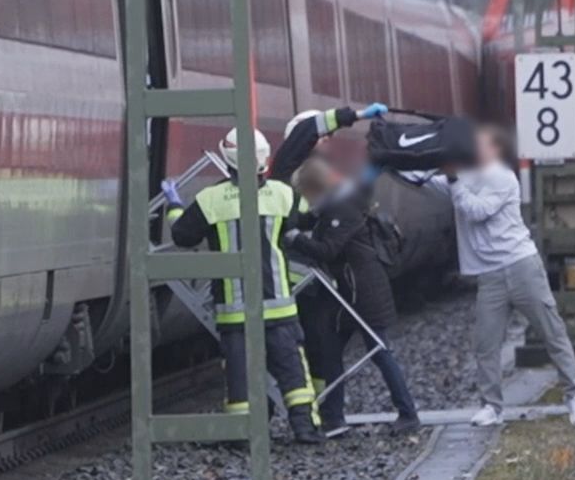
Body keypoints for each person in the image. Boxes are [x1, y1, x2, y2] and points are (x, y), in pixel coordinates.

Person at [165, 126, 322, 445]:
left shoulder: (211, 199)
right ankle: (305, 428)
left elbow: (183, 235)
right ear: (264, 160)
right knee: (292, 371)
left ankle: (241, 435)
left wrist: (173, 206)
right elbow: (306, 218)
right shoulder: (282, 193)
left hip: (235, 311)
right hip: (279, 305)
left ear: (227, 159)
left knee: (239, 374)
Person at [441, 126, 575, 428]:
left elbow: (476, 210)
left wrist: (453, 179)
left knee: (551, 331)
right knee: (486, 342)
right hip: (490, 275)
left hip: (521, 266)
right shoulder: (466, 175)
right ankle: (491, 407)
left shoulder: (501, 176)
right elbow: (434, 184)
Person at [286, 157, 422, 436]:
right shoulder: (336, 203)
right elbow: (311, 222)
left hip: (364, 292)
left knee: (380, 352)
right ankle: (333, 418)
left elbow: (329, 250)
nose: (306, 200)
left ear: (314, 187)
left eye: (305, 193)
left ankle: (408, 413)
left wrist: (296, 238)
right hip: (350, 293)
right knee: (333, 350)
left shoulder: (342, 207)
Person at [272, 103, 388, 183]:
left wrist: (365, 184)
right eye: (322, 134)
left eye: (330, 134)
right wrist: (356, 115)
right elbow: (310, 128)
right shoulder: (284, 168)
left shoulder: (328, 177)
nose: (327, 139)